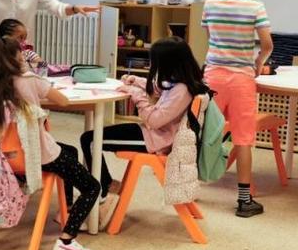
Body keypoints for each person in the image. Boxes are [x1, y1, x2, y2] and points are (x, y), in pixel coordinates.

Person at [0, 37, 99, 250]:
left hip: (8, 157)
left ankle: (63, 212)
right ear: (17, 57)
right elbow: (63, 102)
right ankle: (67, 239)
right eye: (22, 52)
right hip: (38, 154)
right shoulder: (28, 80)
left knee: (70, 151)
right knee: (91, 187)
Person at [78, 37, 210, 228]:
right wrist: (138, 81)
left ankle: (105, 189)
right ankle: (107, 185)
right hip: (154, 135)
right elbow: (160, 88)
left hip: (156, 140)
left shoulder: (182, 90)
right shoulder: (181, 81)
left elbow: (154, 121)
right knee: (90, 138)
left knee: (90, 140)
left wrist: (138, 96)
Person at [202, 0, 273, 218]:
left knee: (205, 131)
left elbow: (211, 39)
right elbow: (267, 46)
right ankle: (244, 201)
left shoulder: (210, 4)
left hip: (213, 77)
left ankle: (187, 186)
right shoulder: (256, 6)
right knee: (243, 140)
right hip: (241, 79)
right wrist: (257, 63)